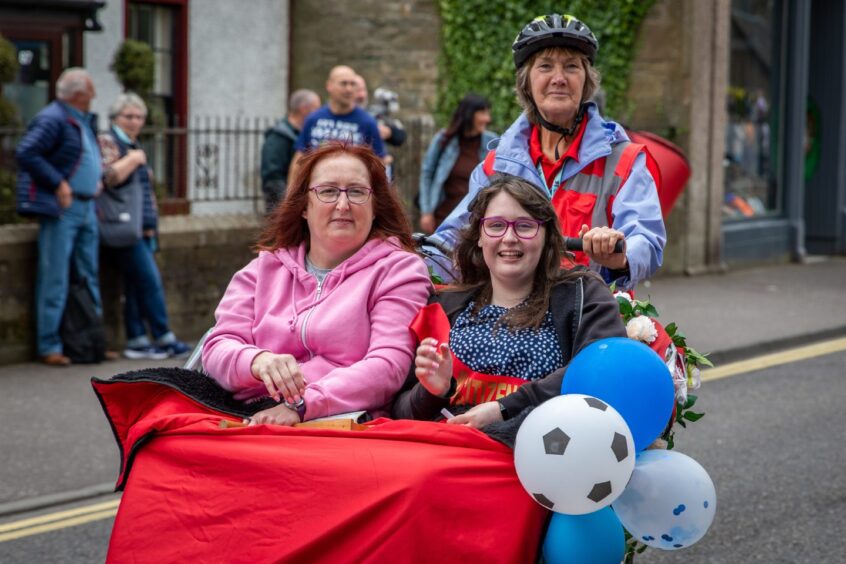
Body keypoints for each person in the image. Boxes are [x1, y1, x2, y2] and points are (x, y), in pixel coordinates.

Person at [426, 14, 666, 290]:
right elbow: (455, 238)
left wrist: (619, 255)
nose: (559, 78)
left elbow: (645, 240)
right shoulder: (497, 166)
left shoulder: (623, 161)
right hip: (511, 313)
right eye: (545, 66)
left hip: (593, 314)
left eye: (571, 66)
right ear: (526, 83)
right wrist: (415, 263)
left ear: (586, 81)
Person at [202, 142, 432, 425]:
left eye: (357, 192)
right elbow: (217, 346)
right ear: (304, 208)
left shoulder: (399, 270)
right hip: (244, 412)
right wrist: (257, 361)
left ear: (375, 208)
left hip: (339, 422)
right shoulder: (262, 270)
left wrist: (301, 404)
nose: (343, 204)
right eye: (328, 191)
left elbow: (387, 367)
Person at [393, 175, 626, 428]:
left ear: (547, 236)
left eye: (525, 226)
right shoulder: (444, 306)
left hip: (541, 452)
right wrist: (432, 391)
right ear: (480, 237)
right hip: (450, 451)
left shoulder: (583, 293)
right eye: (495, 226)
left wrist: (504, 408)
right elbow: (399, 414)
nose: (509, 237)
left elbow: (600, 371)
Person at [15, 68, 112, 366]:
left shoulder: (80, 120)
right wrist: (58, 183)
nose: (94, 96)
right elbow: (27, 152)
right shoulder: (53, 117)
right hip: (62, 207)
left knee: (88, 276)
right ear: (78, 94)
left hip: (85, 206)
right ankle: (49, 345)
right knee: (55, 277)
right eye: (91, 91)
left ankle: (91, 342)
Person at [97, 93, 191, 359]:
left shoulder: (132, 143)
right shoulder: (110, 141)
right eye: (129, 116)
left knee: (135, 284)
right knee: (149, 281)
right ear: (115, 118)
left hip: (140, 227)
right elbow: (107, 177)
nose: (135, 122)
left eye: (139, 117)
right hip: (122, 227)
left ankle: (137, 339)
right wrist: (135, 160)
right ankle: (163, 336)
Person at [287, 66, 386, 185]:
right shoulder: (314, 119)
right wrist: (290, 195)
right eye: (343, 84)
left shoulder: (367, 122)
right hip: (317, 190)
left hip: (352, 192)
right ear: (329, 86)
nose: (349, 89)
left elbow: (379, 163)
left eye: (353, 84)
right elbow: (299, 159)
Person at [418, 93, 495, 234]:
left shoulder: (491, 143)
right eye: (483, 113)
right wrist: (426, 211)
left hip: (475, 220)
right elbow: (427, 173)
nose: (487, 119)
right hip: (444, 218)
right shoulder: (444, 140)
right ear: (469, 114)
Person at [260, 89, 320, 213]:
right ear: (304, 109)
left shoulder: (302, 134)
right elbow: (273, 176)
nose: (319, 114)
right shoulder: (278, 137)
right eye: (316, 108)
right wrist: (288, 204)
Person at [353, 74, 406, 148]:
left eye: (363, 90)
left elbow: (400, 137)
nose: (362, 95)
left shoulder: (371, 114)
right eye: (357, 90)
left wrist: (388, 132)